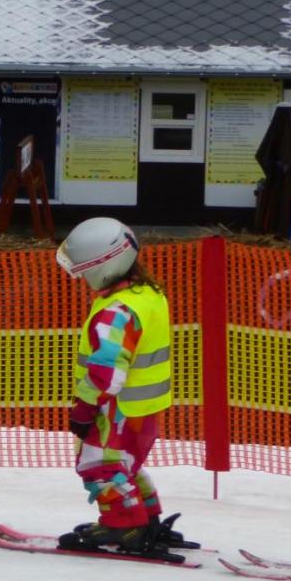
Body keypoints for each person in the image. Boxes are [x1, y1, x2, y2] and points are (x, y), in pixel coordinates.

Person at [52, 217, 177, 557]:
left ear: (103, 266)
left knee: (99, 466)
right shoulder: (147, 295)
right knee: (125, 465)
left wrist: (83, 409)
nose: (80, 277)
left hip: (115, 408)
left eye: (82, 269)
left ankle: (124, 524)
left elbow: (106, 372)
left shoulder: (117, 311)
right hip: (143, 407)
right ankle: (146, 515)